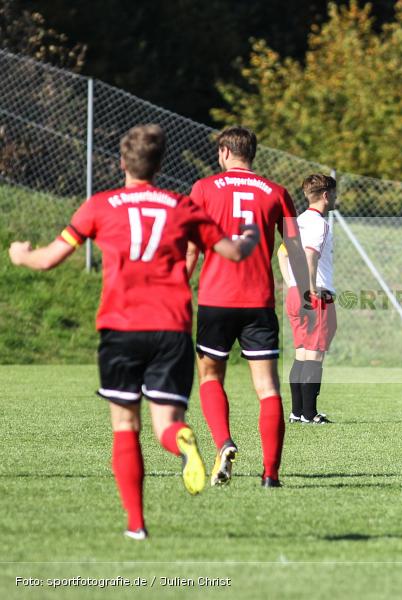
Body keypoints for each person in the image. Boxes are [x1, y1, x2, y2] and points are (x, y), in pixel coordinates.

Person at [7, 124, 259, 539]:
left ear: (123, 163)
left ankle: (137, 526)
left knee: (125, 426)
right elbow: (232, 253)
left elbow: (50, 259)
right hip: (171, 328)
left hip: (121, 329)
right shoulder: (182, 207)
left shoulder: (100, 206)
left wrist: (21, 255)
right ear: (159, 165)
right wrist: (249, 238)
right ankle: (181, 440)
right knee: (166, 424)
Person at [186, 126, 307, 488]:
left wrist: (178, 286)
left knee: (210, 377)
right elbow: (295, 247)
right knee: (268, 389)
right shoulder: (276, 192)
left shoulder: (204, 189)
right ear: (252, 154)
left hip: (215, 299)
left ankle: (224, 442)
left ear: (224, 152)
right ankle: (270, 475)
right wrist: (305, 290)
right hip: (258, 302)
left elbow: (191, 247)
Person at [277, 174, 338, 425]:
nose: (335, 198)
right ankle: (310, 414)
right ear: (326, 196)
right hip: (315, 293)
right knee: (315, 354)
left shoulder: (297, 221)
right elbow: (310, 255)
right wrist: (310, 289)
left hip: (294, 291)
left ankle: (297, 412)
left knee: (301, 352)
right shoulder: (318, 223)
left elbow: (282, 255)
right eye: (334, 194)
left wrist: (292, 283)